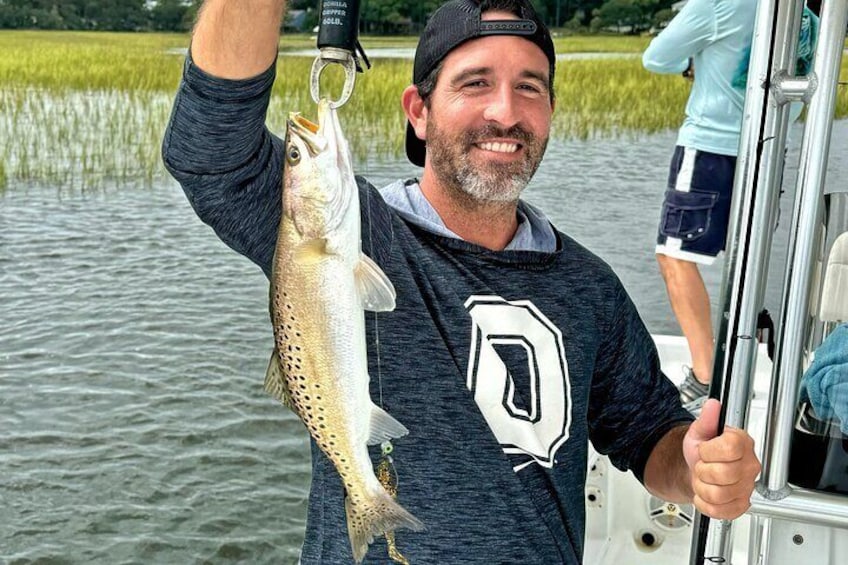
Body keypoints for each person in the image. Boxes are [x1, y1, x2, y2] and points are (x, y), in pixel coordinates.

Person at [162, 0, 761, 562]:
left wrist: (696, 469)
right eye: (475, 83)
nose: (505, 111)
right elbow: (209, 150)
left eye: (529, 87)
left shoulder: (589, 286)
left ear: (549, 112)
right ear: (417, 112)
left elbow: (649, 433)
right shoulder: (344, 232)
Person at [643, 1, 818, 413]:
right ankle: (732, 364)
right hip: (767, 153)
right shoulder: (802, 16)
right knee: (745, 261)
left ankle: (705, 376)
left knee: (674, 258)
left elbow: (657, 57)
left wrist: (696, 60)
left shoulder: (719, 5)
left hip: (709, 151)